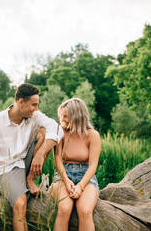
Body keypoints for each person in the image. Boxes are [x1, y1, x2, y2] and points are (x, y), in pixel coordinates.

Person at [0, 83, 63, 231]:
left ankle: (30, 179)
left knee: (45, 131)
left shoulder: (34, 116)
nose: (36, 109)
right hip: (7, 167)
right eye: (33, 105)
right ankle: (15, 185)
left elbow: (57, 128)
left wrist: (40, 154)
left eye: (37, 105)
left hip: (27, 161)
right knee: (20, 204)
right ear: (21, 102)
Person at [51, 98, 101, 231]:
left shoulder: (93, 135)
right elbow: (57, 159)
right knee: (64, 208)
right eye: (60, 115)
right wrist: (66, 181)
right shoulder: (60, 133)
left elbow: (93, 166)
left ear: (77, 116)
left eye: (66, 116)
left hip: (86, 177)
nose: (62, 119)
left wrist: (80, 186)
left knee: (85, 211)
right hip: (63, 175)